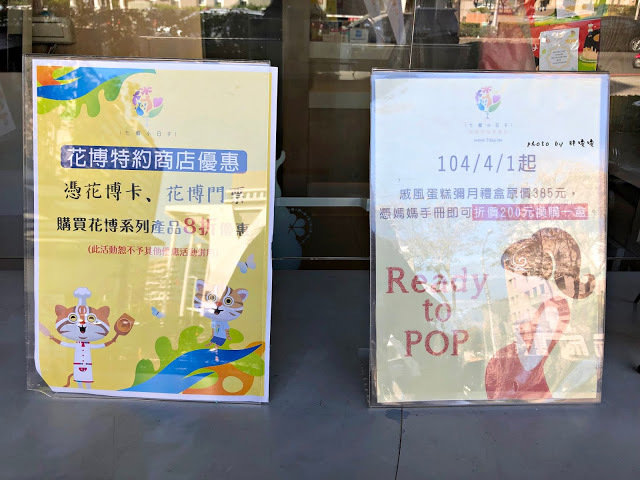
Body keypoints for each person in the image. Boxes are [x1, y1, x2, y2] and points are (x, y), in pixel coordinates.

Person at [485, 228, 596, 400]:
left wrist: (519, 336)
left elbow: (533, 362)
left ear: (530, 274)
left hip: (535, 388)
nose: (514, 286)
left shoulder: (552, 308)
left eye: (514, 279)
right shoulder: (545, 306)